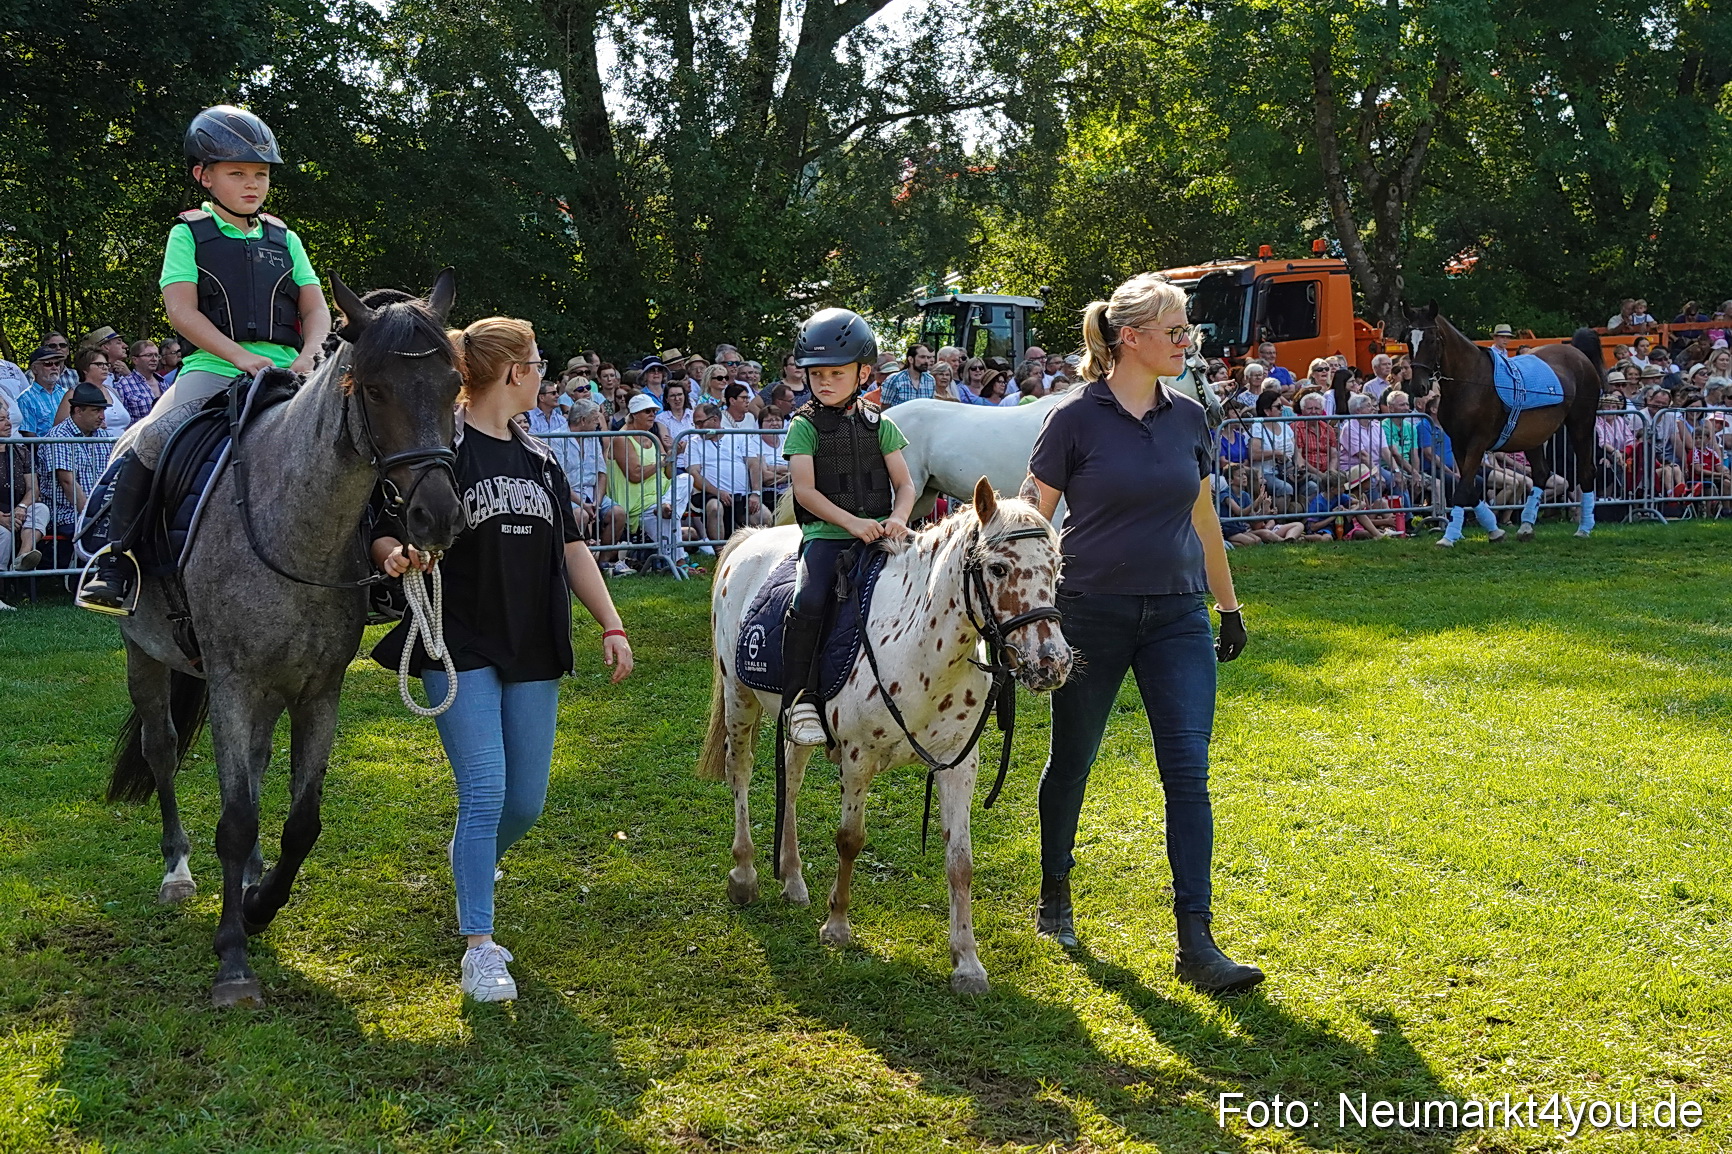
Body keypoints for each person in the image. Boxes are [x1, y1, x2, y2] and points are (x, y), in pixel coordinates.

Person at [370, 316, 633, 1003]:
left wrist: (611, 622)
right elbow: (383, 530)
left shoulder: (540, 461)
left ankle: (469, 868)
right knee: (485, 791)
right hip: (457, 642)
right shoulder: (444, 452)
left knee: (525, 801)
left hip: (532, 642)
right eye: (538, 363)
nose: (542, 373)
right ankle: (479, 949)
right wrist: (392, 555)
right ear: (515, 372)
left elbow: (572, 548)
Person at [1025, 272, 1260, 994]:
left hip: (1178, 616)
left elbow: (1205, 519)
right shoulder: (1072, 420)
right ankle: (1055, 891)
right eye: (1177, 331)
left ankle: (1197, 943)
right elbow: (1032, 524)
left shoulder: (1190, 416)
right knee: (1073, 761)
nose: (1188, 342)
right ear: (1130, 338)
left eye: (1187, 330)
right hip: (1090, 613)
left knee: (1188, 775)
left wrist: (1229, 607)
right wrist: (1031, 619)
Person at [81, 105, 331, 611]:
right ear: (204, 175)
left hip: (291, 374)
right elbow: (182, 312)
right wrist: (241, 357)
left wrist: (308, 355)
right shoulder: (187, 234)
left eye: (260, 174)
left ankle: (385, 559)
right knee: (149, 440)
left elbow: (316, 307)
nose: (252, 184)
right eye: (237, 173)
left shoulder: (287, 238)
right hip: (212, 372)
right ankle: (116, 560)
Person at [778, 307, 917, 745]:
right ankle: (799, 698)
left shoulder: (881, 425)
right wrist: (853, 523)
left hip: (880, 534)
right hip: (826, 536)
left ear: (863, 373)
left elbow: (906, 485)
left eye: (836, 373)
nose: (823, 382)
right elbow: (805, 492)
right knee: (810, 596)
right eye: (815, 374)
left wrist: (897, 518)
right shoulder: (803, 427)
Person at [39, 383, 113, 537]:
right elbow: (68, 483)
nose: (102, 416)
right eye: (96, 410)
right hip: (67, 515)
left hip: (99, 513)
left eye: (103, 410)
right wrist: (91, 518)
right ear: (78, 411)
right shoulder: (59, 437)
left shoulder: (102, 436)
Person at [689, 401, 770, 539]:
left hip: (741, 495)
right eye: (696, 424)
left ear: (715, 419)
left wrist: (755, 493)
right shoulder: (694, 442)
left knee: (765, 516)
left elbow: (753, 464)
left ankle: (757, 552)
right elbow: (694, 474)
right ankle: (719, 553)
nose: (697, 427)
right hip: (709, 495)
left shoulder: (738, 436)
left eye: (700, 423)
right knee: (715, 507)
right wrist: (718, 492)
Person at [0, 405, 46, 572]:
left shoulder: (21, 452)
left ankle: (22, 559)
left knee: (40, 509)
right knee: (2, 533)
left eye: (8, 418)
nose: (8, 423)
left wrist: (22, 507)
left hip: (17, 510)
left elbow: (33, 489)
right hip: (1, 515)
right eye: (1, 420)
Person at [59, 350, 132, 437]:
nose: (105, 367)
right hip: (94, 447)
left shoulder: (112, 391)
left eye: (106, 364)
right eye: (99, 364)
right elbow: (61, 427)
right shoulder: (74, 393)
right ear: (85, 369)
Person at [17, 348, 69, 437]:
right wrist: (48, 450)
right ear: (35, 369)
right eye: (48, 364)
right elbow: (29, 436)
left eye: (57, 363)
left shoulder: (66, 394)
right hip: (43, 449)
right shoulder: (25, 399)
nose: (54, 367)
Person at [112, 340, 166, 421]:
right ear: (135, 360)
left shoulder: (163, 382)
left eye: (156, 355)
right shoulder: (123, 385)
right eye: (149, 355)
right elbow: (120, 419)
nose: (154, 359)